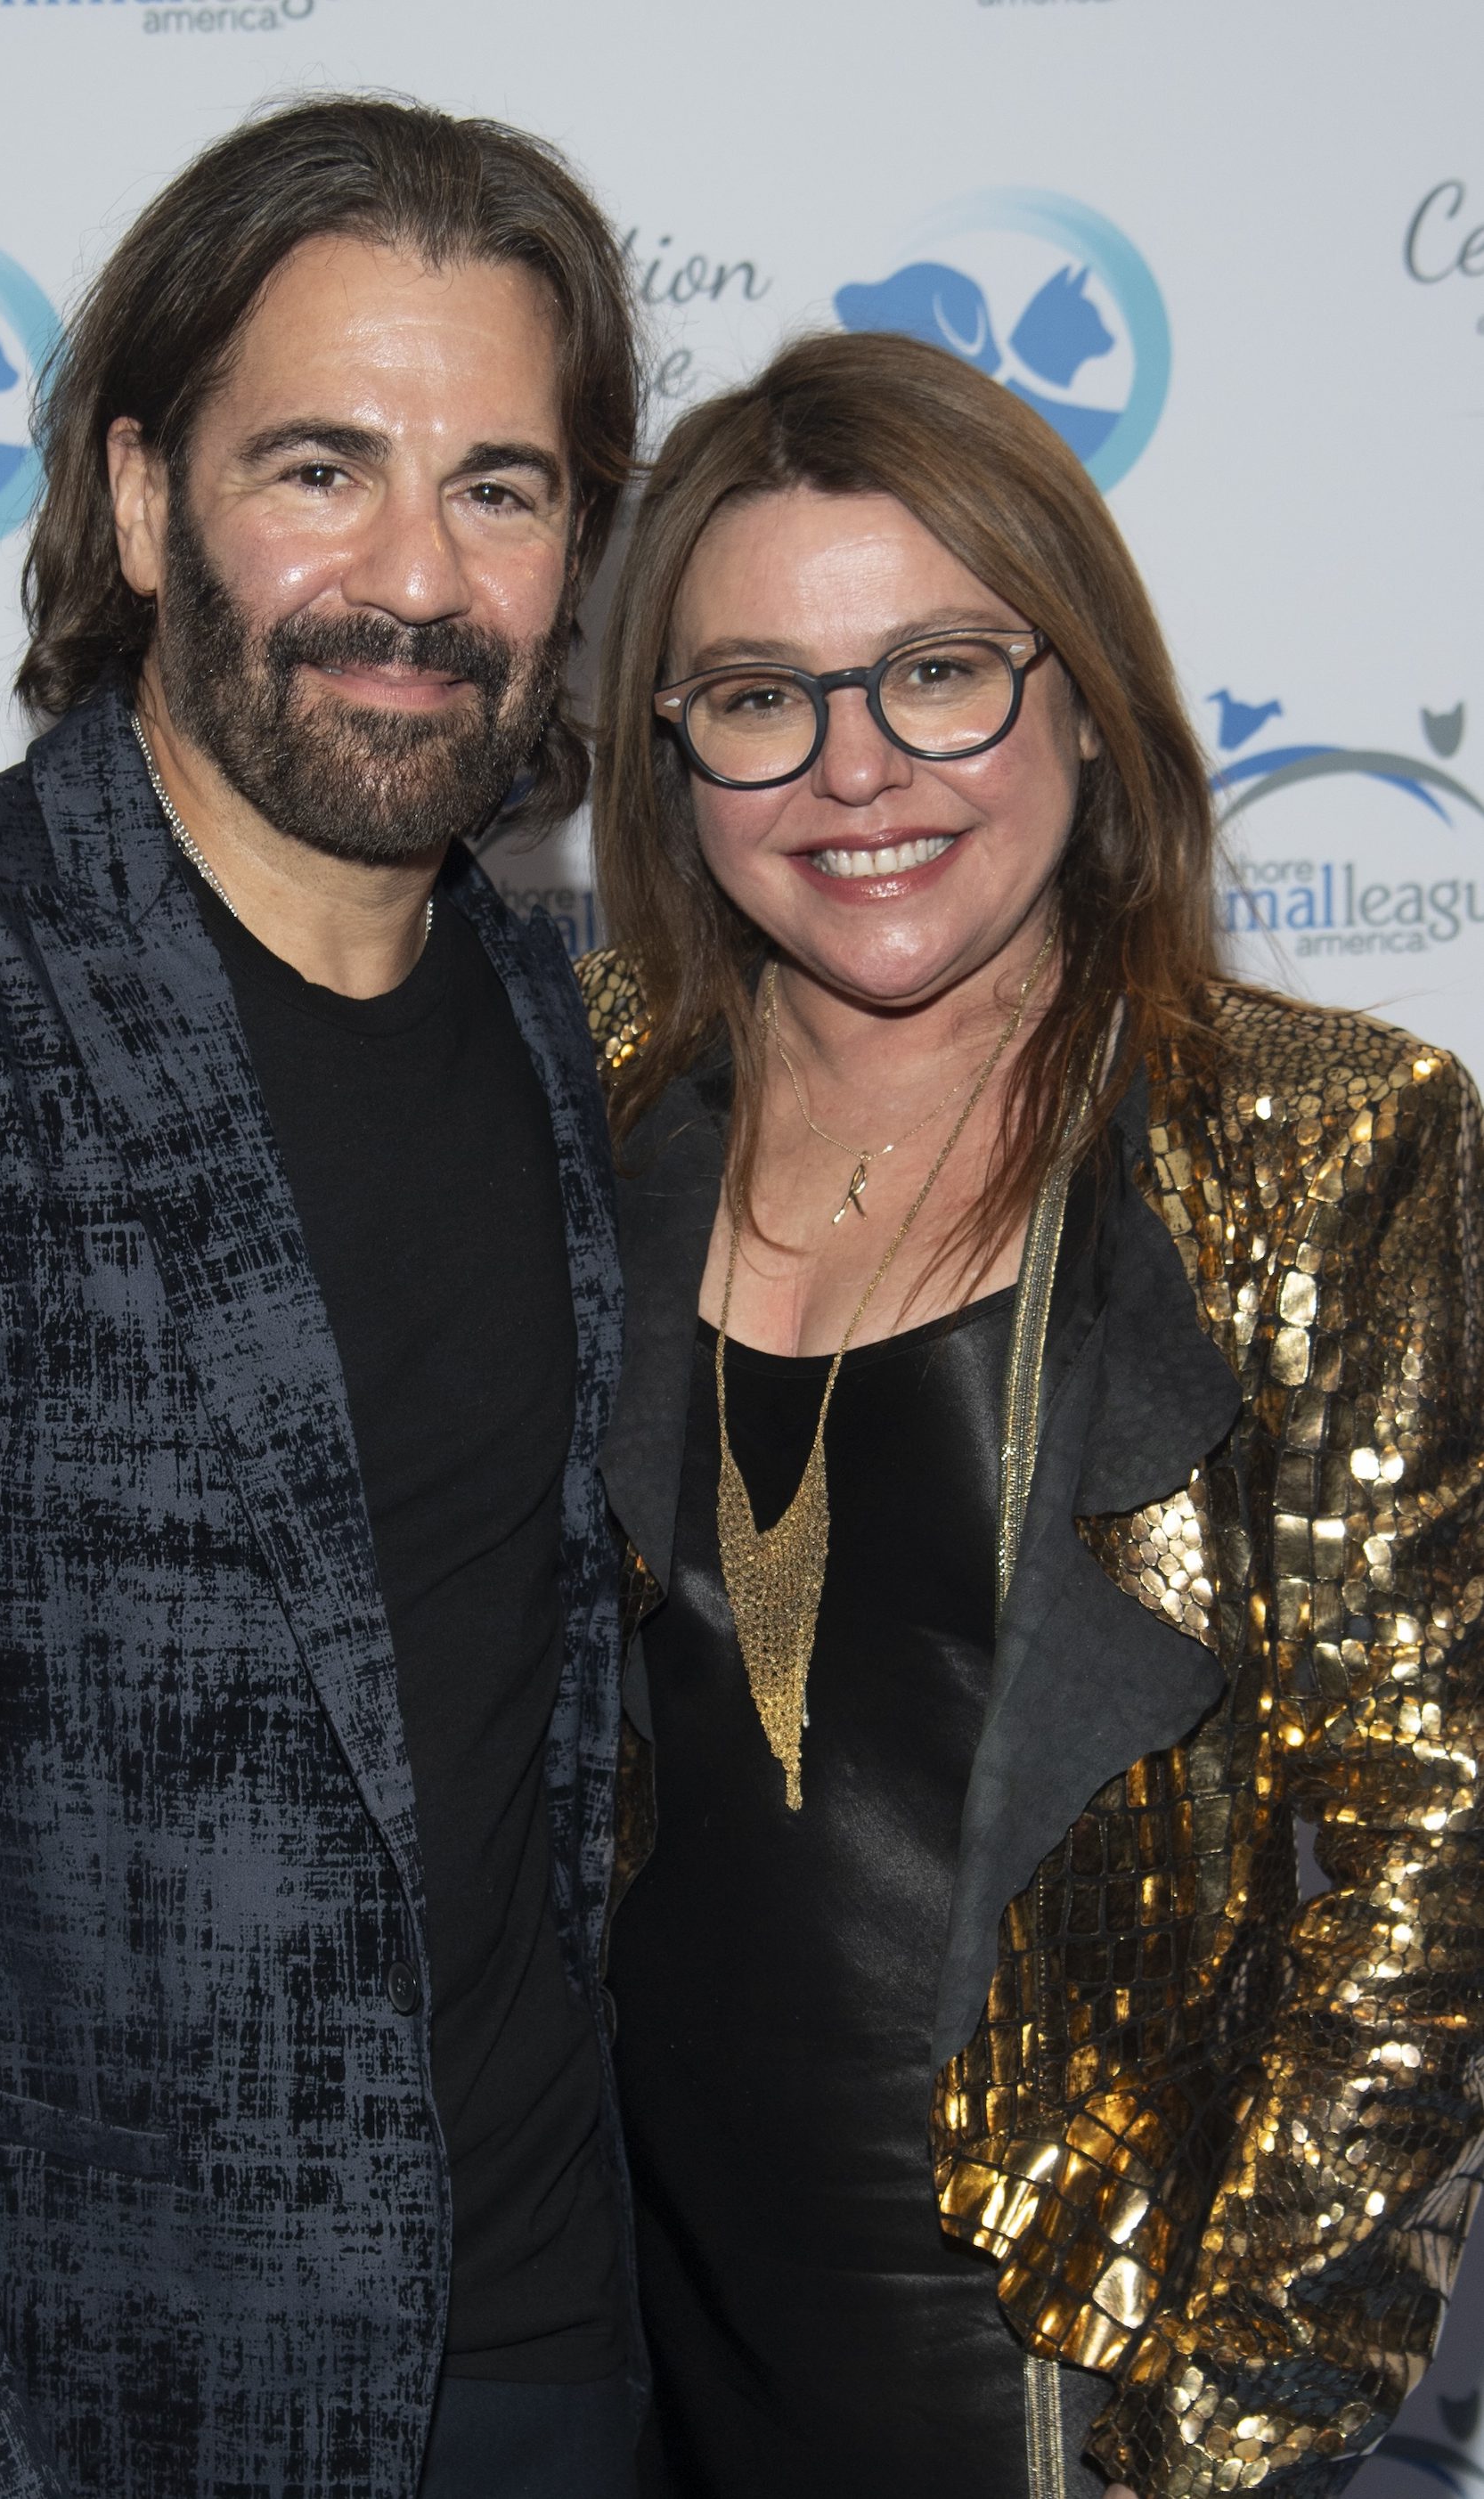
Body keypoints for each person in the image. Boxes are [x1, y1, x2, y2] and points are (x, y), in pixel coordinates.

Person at [0, 97, 646, 2499]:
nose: (414, 575)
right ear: (145, 491)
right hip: (73, 2418)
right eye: (322, 467)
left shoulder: (568, 1033)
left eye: (497, 483)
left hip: (565, 2366)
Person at [578, 330, 1484, 2499]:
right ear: (673, 756)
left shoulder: (1318, 1146)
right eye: (761, 696)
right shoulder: (564, 1103)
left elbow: (1420, 1867)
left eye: (942, 670)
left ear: (1081, 695)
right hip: (617, 2367)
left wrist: (1211, 2453)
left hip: (1073, 2398)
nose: (856, 768)